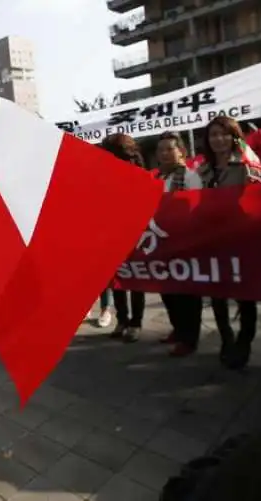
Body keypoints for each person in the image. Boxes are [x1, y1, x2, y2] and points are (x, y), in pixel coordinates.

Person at [197, 116, 261, 370]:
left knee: (246, 296)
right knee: (218, 295)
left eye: (224, 134)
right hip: (213, 241)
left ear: (235, 136)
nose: (218, 139)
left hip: (242, 241)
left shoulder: (248, 166)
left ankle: (245, 342)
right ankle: (227, 338)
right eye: (213, 135)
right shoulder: (201, 171)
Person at [154, 131, 204, 357]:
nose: (164, 154)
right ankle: (178, 328)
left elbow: (196, 209)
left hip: (184, 241)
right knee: (168, 291)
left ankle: (189, 338)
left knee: (187, 294)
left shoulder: (191, 177)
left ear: (181, 151)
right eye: (161, 150)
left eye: (169, 149)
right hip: (161, 241)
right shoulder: (156, 178)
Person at [100, 133, 147, 343]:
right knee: (117, 280)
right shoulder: (104, 175)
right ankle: (122, 320)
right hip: (112, 235)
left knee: (136, 280)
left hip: (137, 235)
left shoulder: (140, 174)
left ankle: (135, 323)